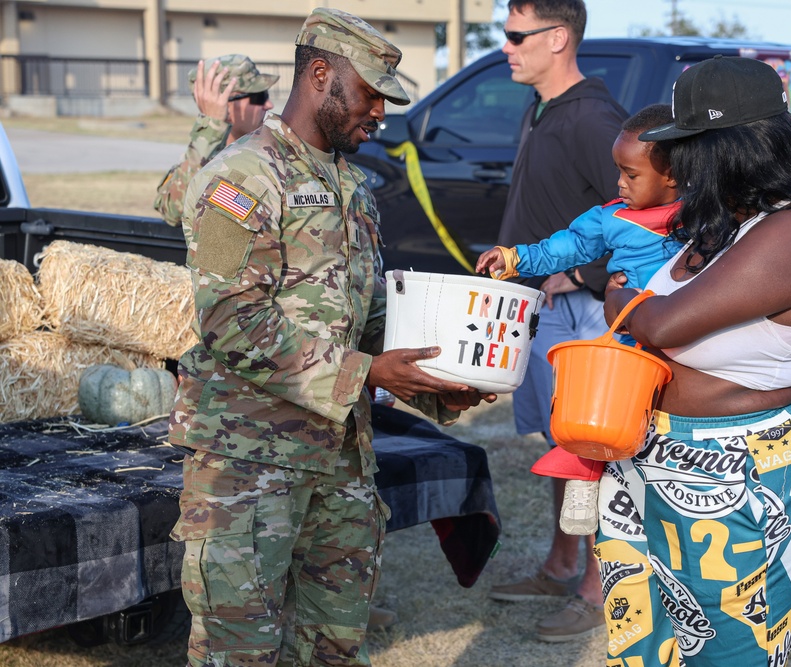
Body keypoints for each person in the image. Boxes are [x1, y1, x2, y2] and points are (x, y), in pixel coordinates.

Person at [167, 8, 493, 667]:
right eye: (371, 94)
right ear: (321, 75)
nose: (381, 113)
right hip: (249, 468)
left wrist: (436, 382)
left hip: (341, 463)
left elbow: (366, 313)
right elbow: (230, 318)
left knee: (336, 647)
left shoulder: (352, 186)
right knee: (240, 651)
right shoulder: (240, 178)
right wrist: (368, 375)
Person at [596, 55, 791, 666]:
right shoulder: (728, 222)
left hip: (737, 473)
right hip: (652, 460)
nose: (676, 162)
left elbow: (661, 322)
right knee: (645, 646)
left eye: (687, 146)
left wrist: (619, 296)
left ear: (726, 145)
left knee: (731, 651)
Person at [485, 0, 628, 643]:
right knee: (559, 448)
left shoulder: (596, 119)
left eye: (517, 36)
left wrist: (584, 277)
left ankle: (599, 591)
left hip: (584, 317)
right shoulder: (544, 108)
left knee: (591, 453)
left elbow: (645, 216)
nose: (507, 47)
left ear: (559, 38)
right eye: (506, 35)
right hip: (543, 313)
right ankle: (561, 563)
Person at [476, 103, 683, 536]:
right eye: (618, 172)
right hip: (631, 339)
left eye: (632, 175)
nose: (620, 184)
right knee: (597, 411)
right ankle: (583, 485)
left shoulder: (703, 217)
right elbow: (565, 247)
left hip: (684, 340)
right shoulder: (610, 218)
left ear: (674, 176)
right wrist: (514, 257)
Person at [153, 54, 277, 231]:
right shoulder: (202, 155)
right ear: (223, 103)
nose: (269, 104)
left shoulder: (274, 148)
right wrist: (211, 127)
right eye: (259, 97)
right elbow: (172, 211)